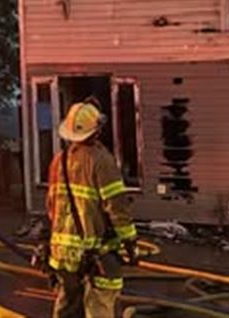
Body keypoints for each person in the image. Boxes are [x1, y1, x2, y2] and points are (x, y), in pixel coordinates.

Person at [45, 99, 139, 318]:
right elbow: (117, 208)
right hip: (97, 253)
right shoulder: (102, 161)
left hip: (61, 254)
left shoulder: (58, 161)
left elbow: (51, 208)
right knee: (100, 304)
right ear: (97, 131)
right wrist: (130, 240)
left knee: (67, 307)